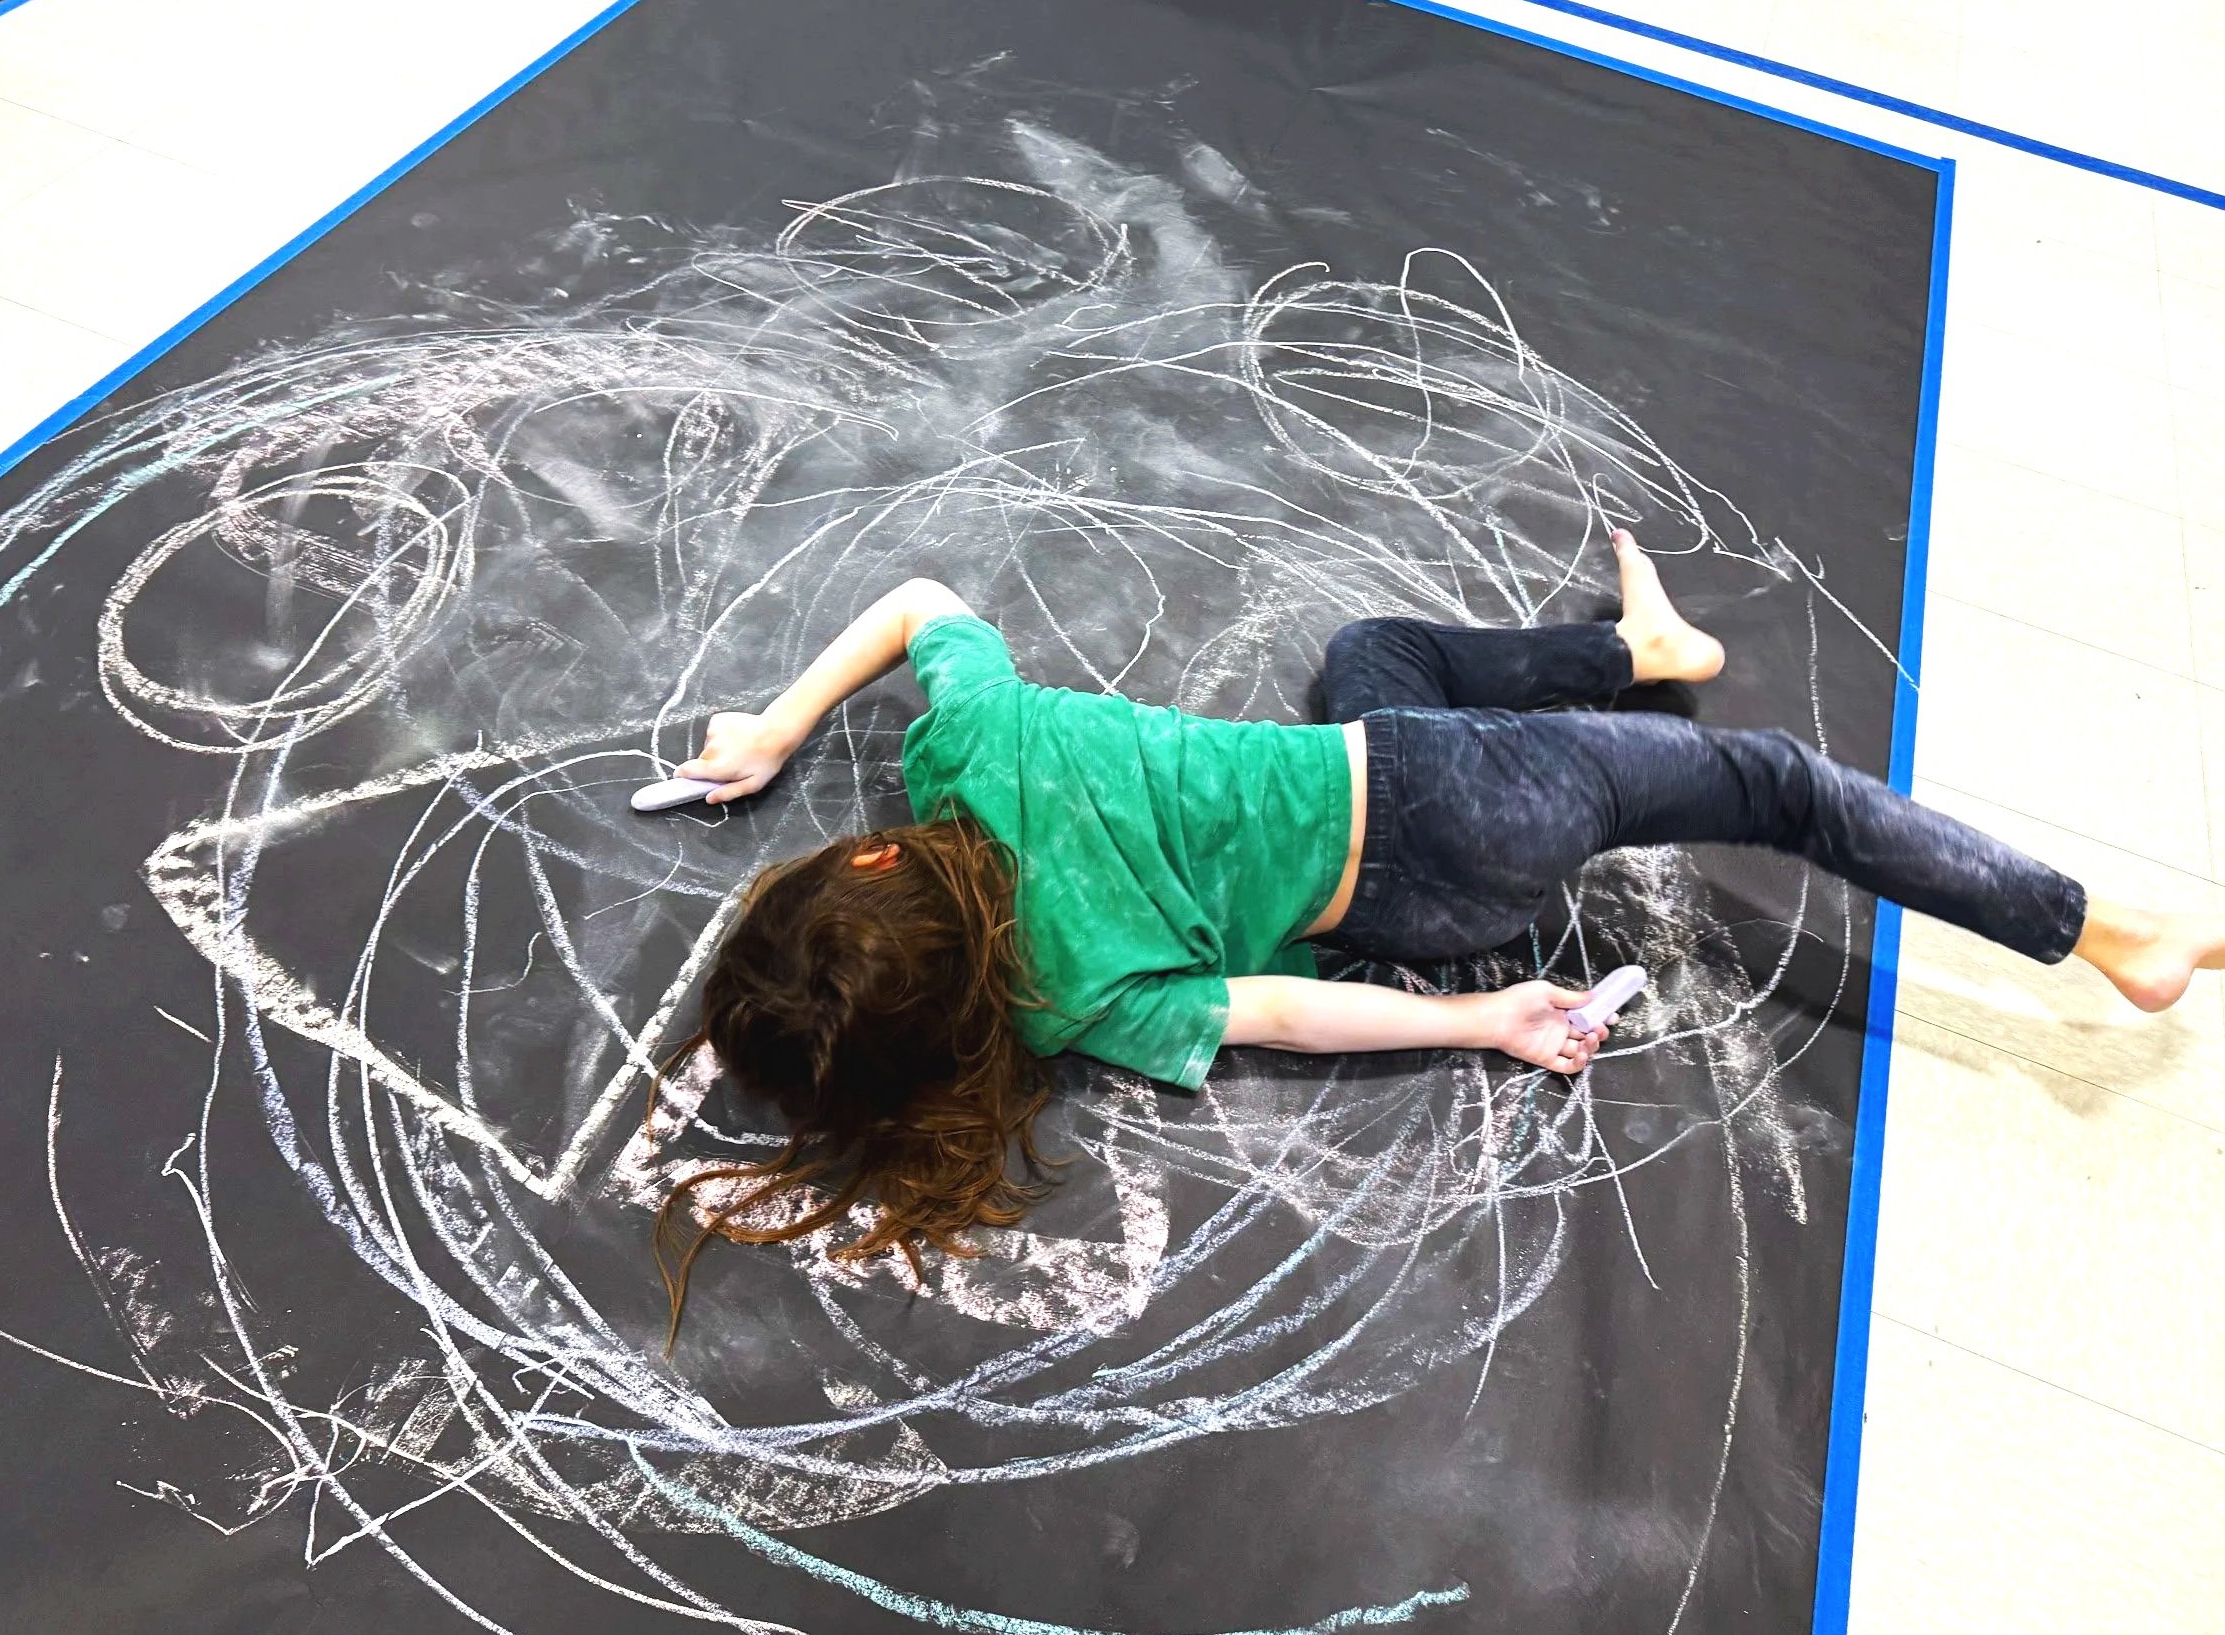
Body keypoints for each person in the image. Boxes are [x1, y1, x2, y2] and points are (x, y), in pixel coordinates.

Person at [651, 536, 2225, 1302]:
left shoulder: (1061, 1003)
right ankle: (2102, 935)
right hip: (1465, 802)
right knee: (1778, 786)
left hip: (1413, 902)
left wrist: (1475, 1012)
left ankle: (1634, 649)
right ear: (857, 869)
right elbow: (927, 602)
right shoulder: (966, 746)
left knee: (1368, 652)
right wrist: (779, 727)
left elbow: (1276, 1009)